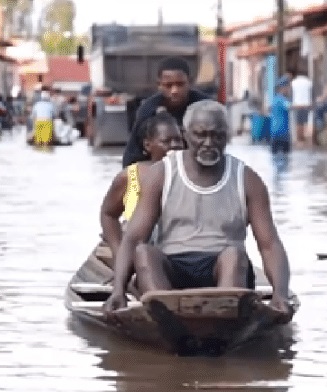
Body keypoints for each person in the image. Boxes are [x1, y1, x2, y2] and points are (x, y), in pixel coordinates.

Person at [102, 100, 293, 323]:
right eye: (200, 135)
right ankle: (167, 320)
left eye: (217, 136)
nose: (209, 143)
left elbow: (269, 244)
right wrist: (118, 290)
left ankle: (224, 321)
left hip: (224, 271)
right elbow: (134, 238)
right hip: (173, 269)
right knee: (144, 252)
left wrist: (280, 293)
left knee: (234, 255)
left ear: (227, 135)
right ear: (185, 135)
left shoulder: (247, 179)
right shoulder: (161, 174)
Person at [100, 111, 184, 258]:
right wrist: (118, 251)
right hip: (140, 252)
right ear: (148, 145)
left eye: (178, 140)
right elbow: (108, 214)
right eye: (166, 141)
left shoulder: (189, 175)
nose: (175, 146)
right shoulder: (129, 176)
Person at [121, 57, 209, 167]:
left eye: (180, 84)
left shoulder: (205, 107)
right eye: (168, 85)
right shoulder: (148, 110)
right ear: (159, 85)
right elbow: (132, 155)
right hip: (159, 169)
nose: (174, 90)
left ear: (190, 82)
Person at [290, 69, 313, 147]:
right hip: (307, 105)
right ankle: (304, 139)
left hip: (297, 105)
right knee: (305, 122)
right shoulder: (309, 82)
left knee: (298, 123)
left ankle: (299, 139)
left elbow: (291, 94)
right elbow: (312, 93)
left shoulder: (293, 83)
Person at [270, 76, 292, 155]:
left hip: (274, 133)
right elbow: (290, 107)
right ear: (283, 88)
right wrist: (305, 106)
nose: (289, 90)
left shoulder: (275, 99)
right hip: (282, 134)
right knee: (286, 159)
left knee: (275, 158)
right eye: (288, 87)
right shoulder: (282, 100)